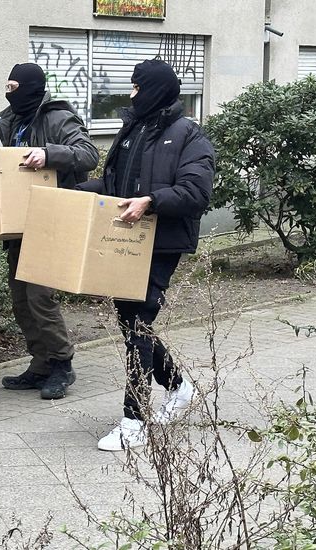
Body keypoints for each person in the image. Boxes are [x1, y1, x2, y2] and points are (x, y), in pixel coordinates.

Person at [75, 60, 214, 451]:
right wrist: (74, 191)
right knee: (131, 322)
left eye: (137, 87)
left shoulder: (188, 134)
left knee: (137, 323)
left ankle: (133, 420)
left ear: (155, 90)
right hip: (127, 238)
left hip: (162, 240)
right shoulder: (132, 129)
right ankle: (178, 386)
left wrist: (151, 201)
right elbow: (117, 183)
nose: (131, 94)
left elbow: (195, 192)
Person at [0, 63, 99, 400]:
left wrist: (48, 153)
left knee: (40, 296)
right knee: (21, 299)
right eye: (7, 87)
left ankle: (62, 364)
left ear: (31, 87)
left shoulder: (57, 117)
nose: (9, 94)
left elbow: (88, 154)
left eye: (14, 87)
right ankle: (40, 363)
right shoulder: (13, 121)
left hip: (53, 218)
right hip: (20, 222)